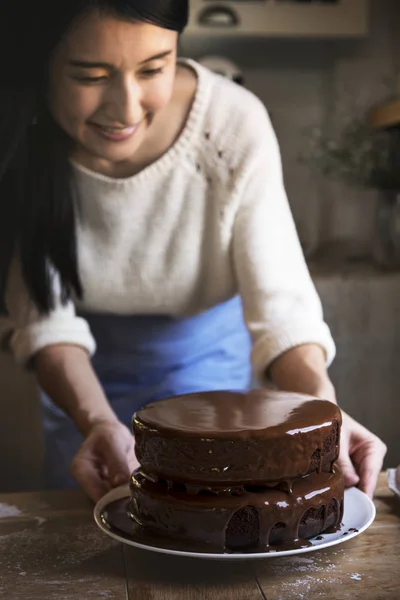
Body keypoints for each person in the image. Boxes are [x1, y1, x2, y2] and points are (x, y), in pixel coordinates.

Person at [0, 0, 386, 503]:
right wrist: (95, 420)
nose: (126, 107)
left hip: (209, 369)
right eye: (90, 76)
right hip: (80, 381)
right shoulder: (17, 134)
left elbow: (283, 310)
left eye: (153, 68)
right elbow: (43, 320)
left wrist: (323, 413)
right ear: (40, 66)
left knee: (210, 516)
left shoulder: (231, 124)